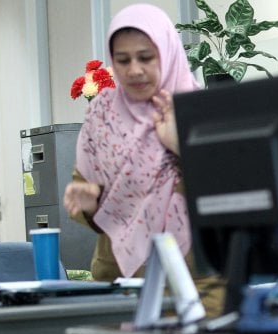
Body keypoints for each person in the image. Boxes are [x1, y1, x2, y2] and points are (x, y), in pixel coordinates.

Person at [63, 4, 224, 315]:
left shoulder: (202, 112)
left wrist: (181, 146)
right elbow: (86, 201)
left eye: (146, 58)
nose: (134, 70)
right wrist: (89, 203)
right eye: (123, 60)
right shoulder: (102, 117)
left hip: (197, 288)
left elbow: (229, 197)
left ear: (167, 52)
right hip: (120, 289)